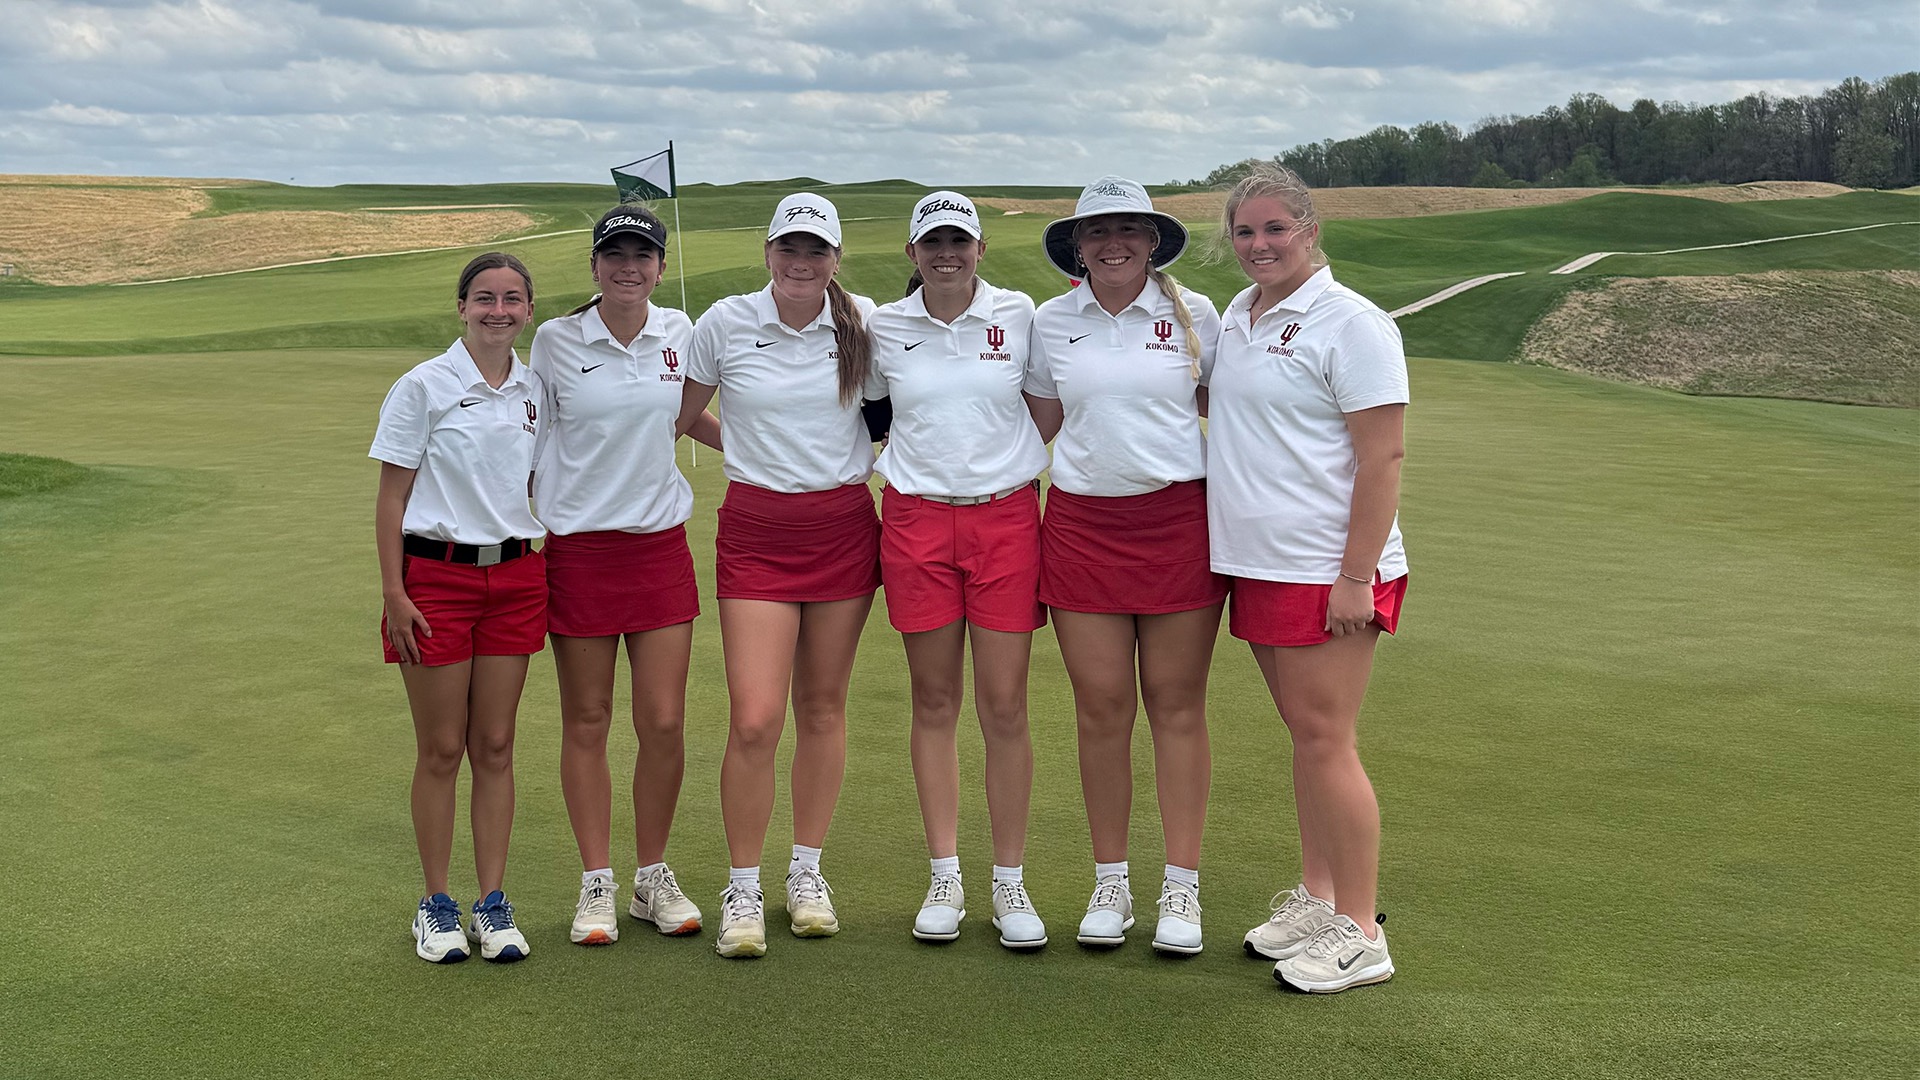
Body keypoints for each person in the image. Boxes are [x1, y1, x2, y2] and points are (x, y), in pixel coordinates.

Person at [1207, 164, 1409, 993]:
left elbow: (1383, 454)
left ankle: (1362, 932)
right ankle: (1321, 898)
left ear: (1309, 230)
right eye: (1245, 232)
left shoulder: (1350, 322)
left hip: (1329, 569)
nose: (1259, 246)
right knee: (1306, 737)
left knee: (1328, 739)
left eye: (1274, 230)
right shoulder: (1237, 314)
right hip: (1258, 560)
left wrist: (1355, 575)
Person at [675, 193, 880, 959]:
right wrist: (747, 450)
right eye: (789, 249)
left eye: (816, 251)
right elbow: (680, 409)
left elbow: (895, 415)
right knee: (756, 717)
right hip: (758, 531)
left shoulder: (864, 322)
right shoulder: (725, 322)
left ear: (834, 258)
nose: (802, 263)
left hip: (841, 528)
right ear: (768, 253)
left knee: (823, 706)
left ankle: (806, 874)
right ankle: (744, 885)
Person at [1024, 176, 1225, 954]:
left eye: (1129, 230)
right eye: (1097, 231)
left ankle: (1183, 889)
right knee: (1102, 710)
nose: (1114, 243)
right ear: (1077, 246)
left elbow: (1233, 409)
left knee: (1176, 706)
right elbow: (1036, 423)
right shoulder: (1049, 322)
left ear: (1152, 241)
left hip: (1177, 524)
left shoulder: (1195, 315)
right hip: (1081, 527)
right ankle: (1112, 881)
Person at [528, 206, 722, 947]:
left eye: (642, 255)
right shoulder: (555, 340)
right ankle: (596, 883)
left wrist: (771, 452)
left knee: (664, 721)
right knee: (587, 719)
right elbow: (529, 431)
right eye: (615, 255)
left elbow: (690, 417)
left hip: (658, 548)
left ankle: (651, 877)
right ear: (595, 265)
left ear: (660, 266)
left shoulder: (682, 334)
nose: (628, 267)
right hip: (579, 550)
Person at [865, 191, 1049, 949]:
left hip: (1006, 519)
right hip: (915, 521)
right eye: (932, 242)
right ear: (912, 254)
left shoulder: (1020, 315)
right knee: (934, 701)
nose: (946, 253)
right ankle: (945, 874)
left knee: (1004, 706)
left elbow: (1045, 410)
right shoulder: (885, 327)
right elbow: (873, 414)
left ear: (979, 249)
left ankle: (1010, 883)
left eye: (959, 241)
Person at [371, 252, 546, 964]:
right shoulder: (424, 385)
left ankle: (492, 904)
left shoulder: (538, 387)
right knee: (443, 748)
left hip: (516, 576)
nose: (497, 310)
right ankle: (436, 904)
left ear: (529, 309)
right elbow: (391, 497)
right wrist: (394, 591)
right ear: (462, 306)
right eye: (484, 298)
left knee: (496, 746)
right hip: (435, 582)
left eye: (511, 299)